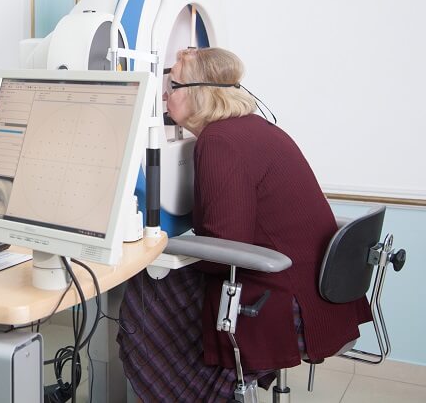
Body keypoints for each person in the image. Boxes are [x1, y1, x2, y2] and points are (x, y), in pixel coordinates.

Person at [117, 47, 371, 402]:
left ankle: (194, 394)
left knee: (148, 291)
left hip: (285, 300)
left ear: (198, 93)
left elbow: (224, 249)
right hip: (317, 292)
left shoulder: (219, 141)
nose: (164, 95)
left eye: (171, 85)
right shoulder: (256, 128)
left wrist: (164, 247)